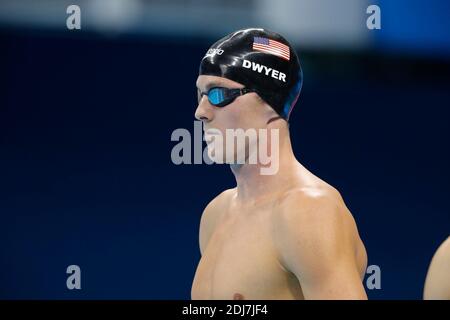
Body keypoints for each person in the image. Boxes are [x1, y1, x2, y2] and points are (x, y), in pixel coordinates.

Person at [191, 28, 367, 300]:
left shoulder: (308, 211)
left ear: (269, 101)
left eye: (218, 94)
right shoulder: (216, 214)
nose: (201, 112)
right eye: (200, 94)